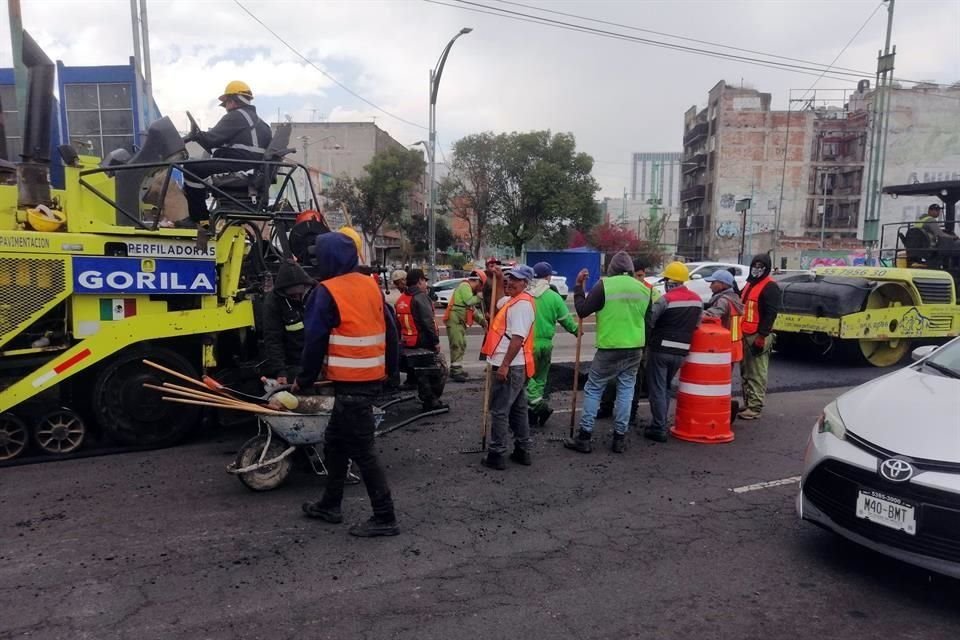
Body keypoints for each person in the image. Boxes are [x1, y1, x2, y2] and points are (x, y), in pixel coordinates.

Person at [296, 231, 401, 537]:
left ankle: (385, 517)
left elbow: (314, 341)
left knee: (363, 451)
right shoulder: (370, 286)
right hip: (368, 379)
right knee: (336, 444)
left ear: (328, 258)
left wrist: (303, 380)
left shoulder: (326, 291)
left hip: (351, 383)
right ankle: (331, 504)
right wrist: (392, 373)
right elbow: (391, 331)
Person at [564, 251, 652, 454]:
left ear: (611, 269)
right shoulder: (644, 289)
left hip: (610, 348)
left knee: (594, 388)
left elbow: (583, 310)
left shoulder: (605, 285)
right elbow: (648, 321)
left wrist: (578, 287)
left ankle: (584, 437)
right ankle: (619, 438)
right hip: (635, 348)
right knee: (626, 390)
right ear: (631, 270)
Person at [183, 81, 273, 225]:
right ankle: (202, 212)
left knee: (191, 168)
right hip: (251, 167)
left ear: (233, 100)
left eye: (226, 104)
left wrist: (195, 135)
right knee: (201, 165)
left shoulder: (237, 116)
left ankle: (199, 219)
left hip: (241, 166)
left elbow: (211, 139)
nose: (226, 108)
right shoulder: (261, 123)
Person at [480, 264, 537, 470]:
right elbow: (497, 303)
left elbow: (518, 338)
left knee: (500, 410)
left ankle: (497, 454)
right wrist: (496, 278)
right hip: (516, 365)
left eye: (516, 279)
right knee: (518, 409)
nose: (511, 282)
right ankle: (523, 450)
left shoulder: (522, 305)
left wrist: (504, 366)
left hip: (510, 365)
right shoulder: (512, 301)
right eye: (510, 277)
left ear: (526, 283)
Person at [644, 261, 703, 442]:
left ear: (670, 281)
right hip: (681, 352)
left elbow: (650, 321)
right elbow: (697, 325)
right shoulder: (697, 300)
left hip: (660, 350)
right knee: (666, 387)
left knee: (657, 388)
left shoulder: (666, 299)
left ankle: (659, 427)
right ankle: (661, 422)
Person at [597, 256, 660, 423]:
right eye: (638, 275)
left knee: (634, 380)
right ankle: (607, 406)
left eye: (642, 275)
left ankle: (632, 411)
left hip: (638, 342)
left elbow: (654, 315)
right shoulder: (620, 287)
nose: (641, 279)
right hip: (617, 340)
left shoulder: (650, 290)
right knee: (612, 378)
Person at [526, 261, 579, 427]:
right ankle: (533, 413)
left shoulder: (526, 295)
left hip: (527, 345)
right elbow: (567, 321)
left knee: (527, 379)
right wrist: (578, 331)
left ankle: (538, 407)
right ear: (548, 277)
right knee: (540, 379)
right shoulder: (554, 297)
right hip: (546, 345)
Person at [395, 268, 447, 412]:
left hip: (408, 343)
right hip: (423, 342)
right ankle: (432, 400)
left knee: (422, 373)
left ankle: (427, 398)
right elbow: (427, 322)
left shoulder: (401, 299)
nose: (426, 284)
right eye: (424, 281)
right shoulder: (420, 297)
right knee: (439, 370)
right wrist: (435, 342)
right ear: (419, 282)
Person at [738, 253, 781, 421]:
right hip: (745, 333)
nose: (756, 269)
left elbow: (771, 314)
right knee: (746, 372)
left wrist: (762, 336)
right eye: (754, 266)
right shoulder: (750, 284)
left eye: (760, 266)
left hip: (757, 335)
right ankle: (749, 403)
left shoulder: (770, 286)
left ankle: (755, 407)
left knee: (756, 372)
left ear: (766, 268)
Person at [261, 261, 314, 384]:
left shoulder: (315, 294)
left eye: (299, 294)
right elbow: (273, 339)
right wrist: (280, 371)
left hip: (318, 360)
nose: (297, 298)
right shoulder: (273, 303)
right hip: (293, 363)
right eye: (293, 295)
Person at [703, 269, 744, 417]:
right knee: (724, 381)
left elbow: (712, 316)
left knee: (717, 381)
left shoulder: (723, 300)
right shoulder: (735, 299)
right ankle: (725, 406)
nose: (710, 286)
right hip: (734, 346)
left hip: (723, 347)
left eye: (713, 283)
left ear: (722, 284)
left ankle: (721, 408)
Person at [444, 271, 487, 382]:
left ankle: (457, 368)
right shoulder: (464, 286)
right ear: (477, 281)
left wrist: (483, 321)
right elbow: (469, 302)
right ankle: (456, 372)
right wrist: (479, 297)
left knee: (461, 344)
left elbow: (472, 310)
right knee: (457, 344)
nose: (481, 288)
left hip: (458, 322)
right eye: (482, 285)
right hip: (454, 321)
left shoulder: (469, 290)